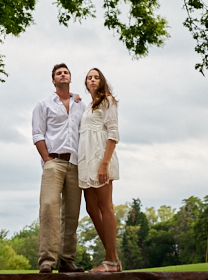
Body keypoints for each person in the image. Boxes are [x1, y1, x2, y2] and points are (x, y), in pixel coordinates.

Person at [32, 63, 87, 273]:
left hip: (75, 163)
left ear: (70, 78)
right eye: (58, 73)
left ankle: (67, 260)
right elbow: (37, 134)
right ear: (53, 81)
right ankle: (47, 260)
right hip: (53, 162)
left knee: (72, 213)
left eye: (66, 72)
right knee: (48, 208)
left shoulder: (80, 104)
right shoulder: (43, 104)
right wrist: (47, 159)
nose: (62, 75)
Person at [78, 68, 121, 273]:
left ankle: (110, 262)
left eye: (96, 77)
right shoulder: (87, 106)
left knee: (106, 206)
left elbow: (113, 134)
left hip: (100, 159)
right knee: (91, 208)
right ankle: (113, 258)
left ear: (101, 81)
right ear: (86, 83)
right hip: (86, 161)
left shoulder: (108, 101)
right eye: (89, 78)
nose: (92, 80)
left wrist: (105, 163)